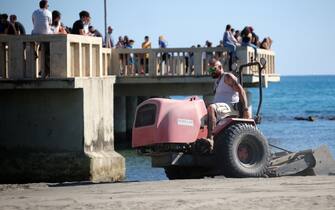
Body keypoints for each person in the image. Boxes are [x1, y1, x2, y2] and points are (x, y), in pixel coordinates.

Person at [206, 58, 250, 141]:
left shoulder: (227, 77)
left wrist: (245, 109)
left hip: (231, 107)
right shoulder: (216, 82)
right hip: (222, 108)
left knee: (211, 108)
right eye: (209, 69)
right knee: (202, 106)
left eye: (213, 69)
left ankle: (210, 139)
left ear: (220, 67)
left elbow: (241, 91)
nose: (211, 71)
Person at [32, 0, 52, 78]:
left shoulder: (34, 12)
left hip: (35, 33)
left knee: (33, 33)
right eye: (48, 5)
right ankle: (47, 71)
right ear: (46, 5)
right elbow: (50, 24)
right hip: (46, 34)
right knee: (47, 50)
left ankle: (34, 49)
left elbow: (33, 23)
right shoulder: (49, 12)